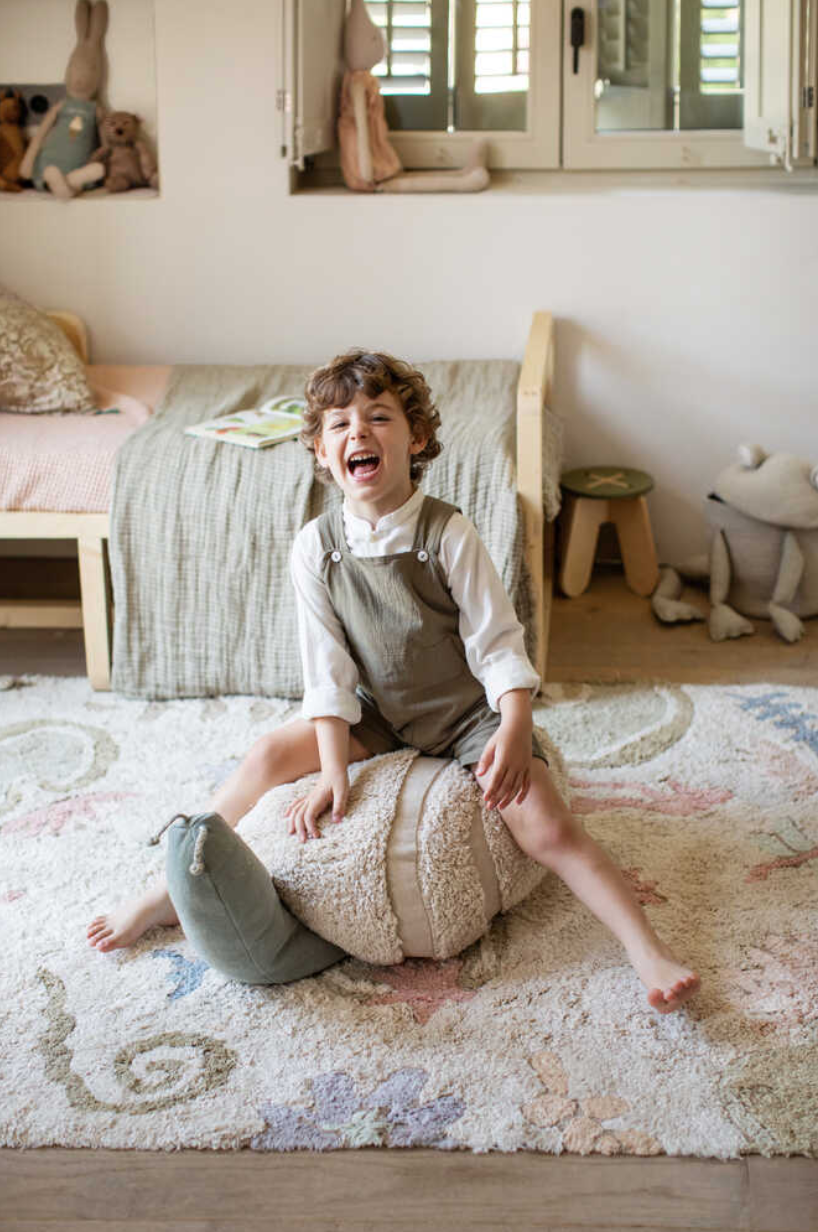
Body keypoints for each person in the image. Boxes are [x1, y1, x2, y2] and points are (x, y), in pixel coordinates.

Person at [88, 348, 700, 1015]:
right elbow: (327, 673)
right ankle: (164, 894)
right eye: (340, 424)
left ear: (417, 438)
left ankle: (646, 950)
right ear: (322, 452)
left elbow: (499, 644)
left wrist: (516, 727)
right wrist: (333, 771)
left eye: (378, 417)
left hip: (468, 714)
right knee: (266, 756)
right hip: (376, 711)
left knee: (546, 829)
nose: (359, 432)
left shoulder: (449, 533)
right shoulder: (315, 547)